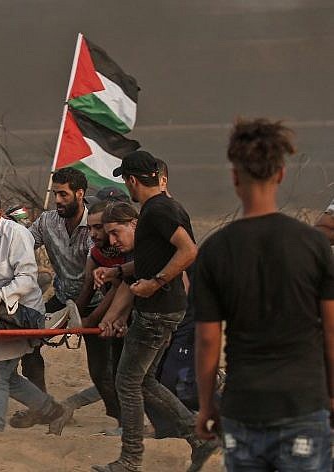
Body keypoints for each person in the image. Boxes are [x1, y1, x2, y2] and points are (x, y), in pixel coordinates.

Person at [194, 118, 334, 471]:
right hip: (303, 402)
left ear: (235, 177)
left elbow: (208, 340)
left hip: (244, 405)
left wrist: (207, 404)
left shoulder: (215, 250)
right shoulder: (315, 245)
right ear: (281, 174)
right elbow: (332, 332)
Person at [91, 151, 218, 472]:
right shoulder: (163, 207)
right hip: (166, 308)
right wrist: (119, 273)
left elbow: (188, 251)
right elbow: (155, 257)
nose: (127, 187)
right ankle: (199, 437)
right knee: (144, 381)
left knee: (127, 382)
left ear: (133, 180)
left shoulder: (157, 210)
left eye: (126, 181)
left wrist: (155, 283)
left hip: (158, 309)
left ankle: (130, 458)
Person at [0, 188, 74, 433]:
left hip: (23, 312)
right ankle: (53, 411)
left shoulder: (17, 234)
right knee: (6, 376)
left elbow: (27, 279)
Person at [10, 167, 92, 429]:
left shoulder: (95, 225)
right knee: (29, 343)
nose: (57, 200)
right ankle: (43, 407)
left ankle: (119, 420)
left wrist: (77, 315)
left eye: (63, 194)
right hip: (62, 296)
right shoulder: (47, 221)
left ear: (80, 194)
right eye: (55, 194)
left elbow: (95, 275)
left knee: (104, 367)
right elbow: (23, 246)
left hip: (95, 300)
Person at [62, 199, 130, 428]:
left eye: (98, 227)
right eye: (89, 228)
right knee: (100, 373)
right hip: (111, 313)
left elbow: (120, 287)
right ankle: (119, 418)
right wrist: (74, 317)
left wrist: (91, 320)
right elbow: (88, 285)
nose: (93, 233)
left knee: (128, 375)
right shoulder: (97, 252)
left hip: (129, 313)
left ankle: (130, 424)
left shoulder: (124, 249)